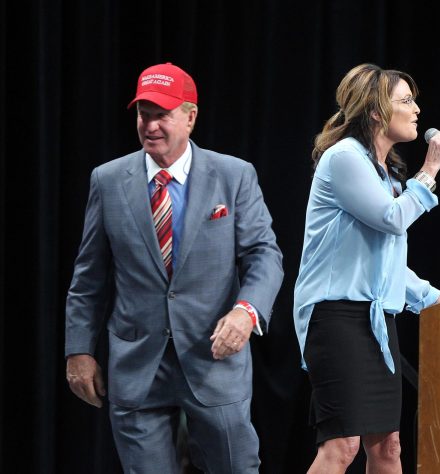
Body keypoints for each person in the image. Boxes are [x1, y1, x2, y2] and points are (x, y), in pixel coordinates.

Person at [64, 62, 283, 473]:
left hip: (213, 358)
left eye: (161, 114)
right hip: (136, 365)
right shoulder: (108, 180)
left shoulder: (233, 176)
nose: (150, 125)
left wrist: (245, 310)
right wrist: (79, 351)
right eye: (143, 114)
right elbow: (88, 276)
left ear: (190, 116)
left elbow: (263, 255)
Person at [293, 63, 440, 473]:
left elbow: (387, 265)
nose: (416, 109)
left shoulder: (386, 174)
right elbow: (392, 219)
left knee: (388, 448)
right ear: (377, 112)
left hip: (376, 319)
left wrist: (437, 302)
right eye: (405, 101)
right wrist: (430, 171)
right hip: (336, 317)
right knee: (342, 446)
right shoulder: (343, 158)